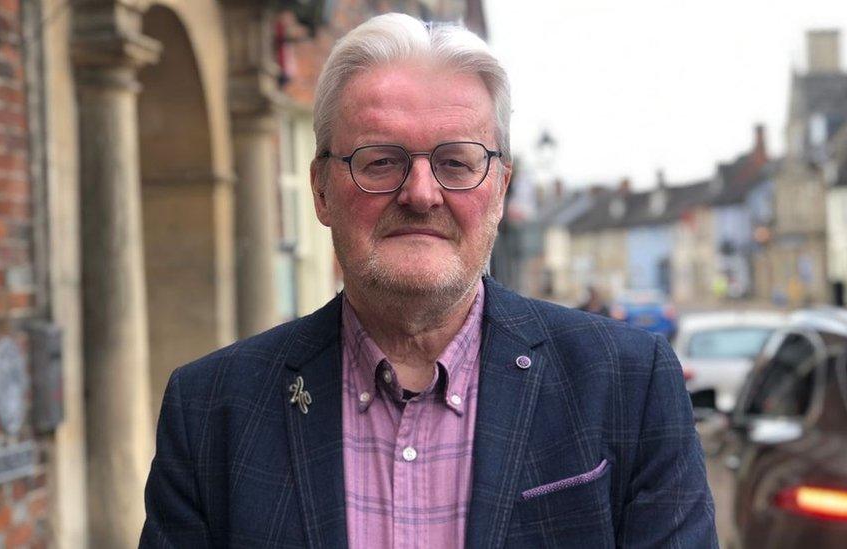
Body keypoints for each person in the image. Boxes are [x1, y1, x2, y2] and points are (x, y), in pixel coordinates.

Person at [140, 13, 716, 548]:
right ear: (320, 191)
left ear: (499, 188)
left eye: (456, 163)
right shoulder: (211, 409)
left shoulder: (628, 385)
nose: (420, 194)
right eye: (380, 160)